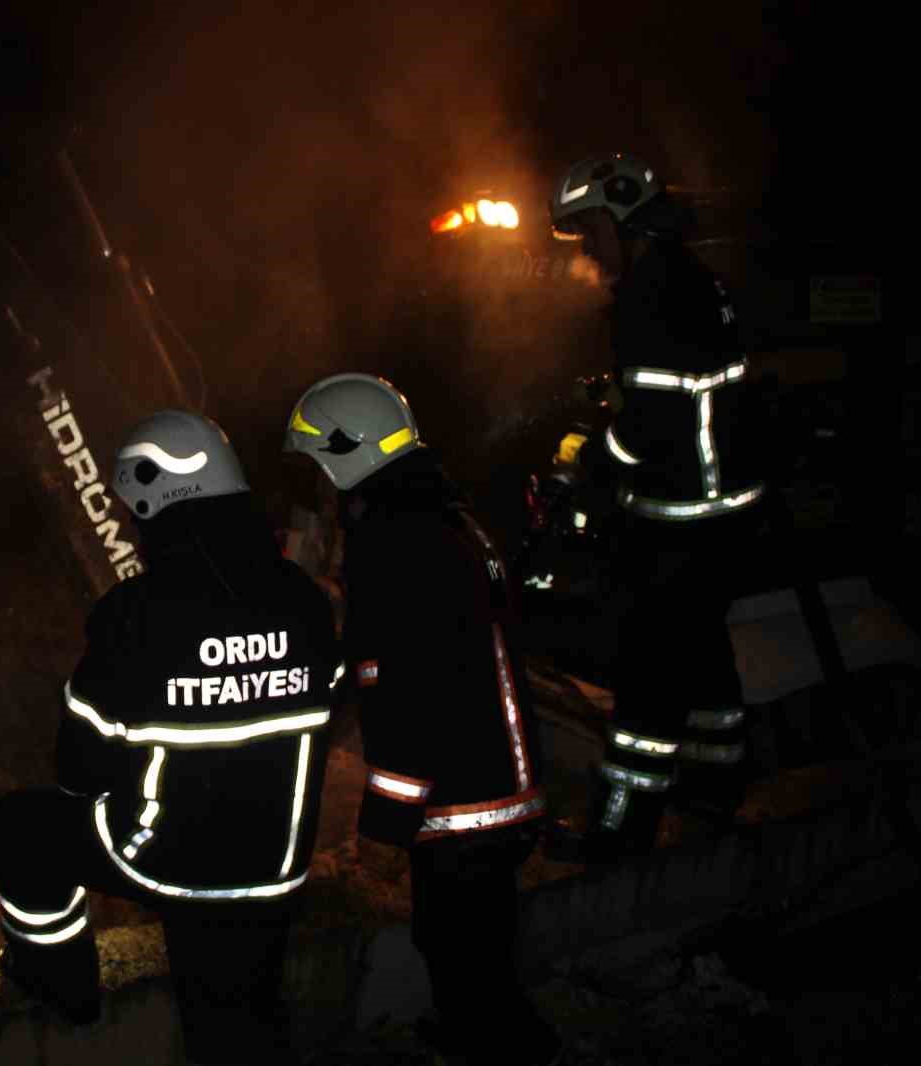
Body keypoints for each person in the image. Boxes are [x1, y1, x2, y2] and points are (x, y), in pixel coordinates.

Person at [0, 410, 341, 1065]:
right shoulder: (308, 603)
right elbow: (332, 715)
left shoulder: (132, 617)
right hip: (279, 866)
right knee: (247, 1023)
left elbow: (77, 769)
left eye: (134, 512)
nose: (131, 527)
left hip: (169, 863)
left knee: (18, 827)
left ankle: (64, 988)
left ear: (157, 501)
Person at [283, 373, 562, 1066]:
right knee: (480, 952)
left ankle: (504, 1049)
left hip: (465, 806)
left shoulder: (394, 545)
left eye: (320, 466)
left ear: (350, 455)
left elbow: (405, 696)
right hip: (505, 791)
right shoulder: (449, 519)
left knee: (464, 959)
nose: (317, 485)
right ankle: (480, 1035)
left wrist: (384, 825)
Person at [544, 153, 768, 860]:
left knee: (649, 674)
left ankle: (619, 831)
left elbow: (652, 427)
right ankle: (712, 792)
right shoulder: (692, 280)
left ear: (621, 220)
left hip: (681, 520)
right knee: (704, 660)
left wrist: (589, 460)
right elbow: (679, 397)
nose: (586, 249)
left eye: (589, 232)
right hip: (723, 514)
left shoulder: (649, 294)